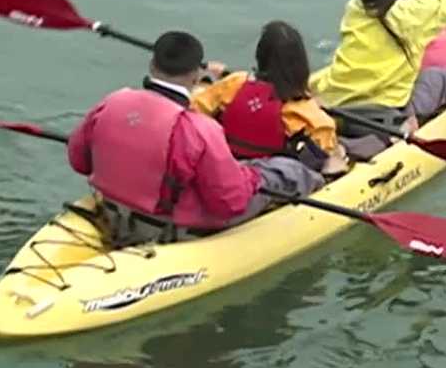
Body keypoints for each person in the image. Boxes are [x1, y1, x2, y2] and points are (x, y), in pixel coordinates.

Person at [66, 31, 325, 245]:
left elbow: (78, 160)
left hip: (114, 210)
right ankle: (327, 178)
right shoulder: (200, 130)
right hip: (171, 225)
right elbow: (231, 203)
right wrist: (252, 174)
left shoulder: (113, 101)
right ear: (195, 75)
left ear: (152, 64)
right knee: (287, 168)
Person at [309, 0, 446, 141]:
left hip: (337, 106)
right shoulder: (409, 16)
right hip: (380, 116)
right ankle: (422, 118)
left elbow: (385, 8)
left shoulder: (355, 9)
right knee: (441, 79)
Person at [191, 21, 350, 176]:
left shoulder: (234, 83)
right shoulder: (303, 111)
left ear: (260, 56)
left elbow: (196, 108)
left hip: (228, 162)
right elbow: (325, 147)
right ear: (301, 64)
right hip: (271, 175)